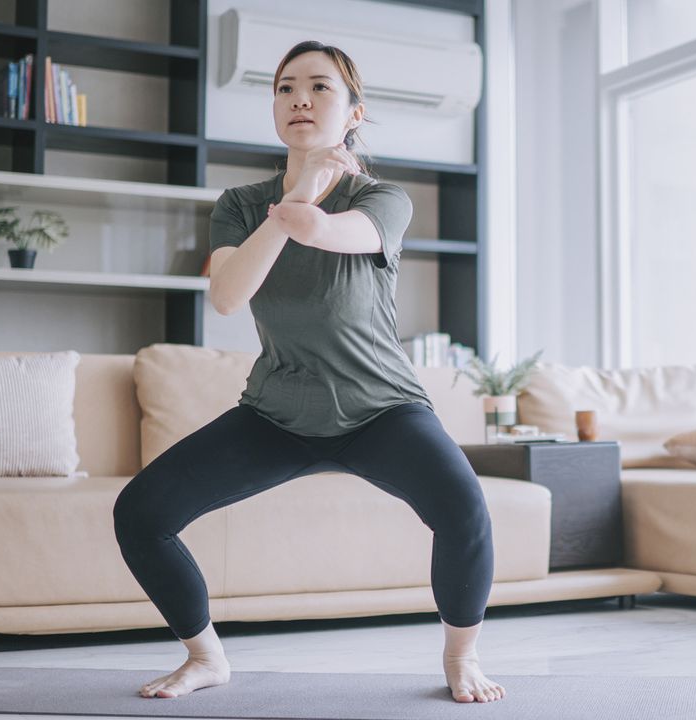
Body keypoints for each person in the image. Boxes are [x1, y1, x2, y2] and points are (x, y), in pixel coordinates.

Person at [112, 40, 505, 704]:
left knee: (465, 509)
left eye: (321, 87)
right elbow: (229, 295)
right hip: (278, 413)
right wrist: (293, 194)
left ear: (355, 113)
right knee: (140, 513)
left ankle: (461, 658)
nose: (299, 97)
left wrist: (304, 204)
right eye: (286, 87)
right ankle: (204, 657)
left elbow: (329, 233)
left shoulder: (384, 199)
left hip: (381, 408)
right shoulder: (240, 203)